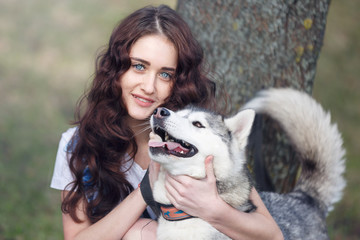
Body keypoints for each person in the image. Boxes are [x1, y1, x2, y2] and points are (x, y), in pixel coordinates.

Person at [50, 5, 283, 240]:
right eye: (139, 66)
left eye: (165, 74)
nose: (149, 87)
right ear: (117, 70)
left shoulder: (196, 141)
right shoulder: (77, 146)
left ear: (179, 82)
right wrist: (145, 191)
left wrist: (213, 209)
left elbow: (272, 235)